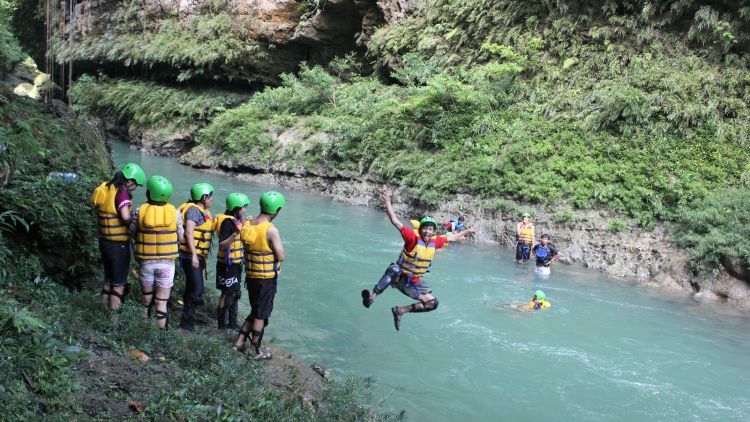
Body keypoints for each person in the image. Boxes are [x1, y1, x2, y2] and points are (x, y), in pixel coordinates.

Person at [361, 187, 475, 331]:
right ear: (420, 229)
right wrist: (387, 200)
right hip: (399, 277)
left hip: (414, 283)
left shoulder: (435, 242)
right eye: (425, 228)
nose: (427, 231)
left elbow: (451, 238)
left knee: (433, 303)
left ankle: (400, 311)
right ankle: (372, 297)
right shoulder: (412, 238)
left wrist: (468, 231)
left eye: (430, 229)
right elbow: (395, 221)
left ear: (433, 231)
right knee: (394, 269)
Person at [233, 191, 286, 360]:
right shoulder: (271, 230)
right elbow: (281, 256)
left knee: (255, 310)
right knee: (261, 314)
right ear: (276, 210)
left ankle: (239, 343)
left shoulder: (248, 224)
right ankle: (255, 350)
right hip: (266, 279)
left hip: (251, 277)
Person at [131, 175, 184, 329]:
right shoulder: (175, 213)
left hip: (146, 262)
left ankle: (143, 328)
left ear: (149, 193)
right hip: (167, 264)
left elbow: (133, 233)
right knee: (161, 302)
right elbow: (181, 238)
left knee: (146, 298)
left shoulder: (140, 211)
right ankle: (160, 334)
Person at [91, 162, 146, 311]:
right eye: (136, 185)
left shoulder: (106, 187)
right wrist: (137, 220)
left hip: (104, 242)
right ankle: (113, 321)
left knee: (109, 280)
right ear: (129, 181)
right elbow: (125, 217)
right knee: (119, 283)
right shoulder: (122, 192)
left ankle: (103, 313)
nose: (135, 188)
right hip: (118, 245)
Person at [177, 183, 215, 331]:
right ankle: (187, 320)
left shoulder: (201, 211)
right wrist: (194, 255)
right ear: (204, 197)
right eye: (210, 197)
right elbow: (189, 233)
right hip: (189, 256)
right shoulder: (193, 211)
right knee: (197, 289)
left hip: (195, 256)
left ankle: (187, 322)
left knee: (191, 288)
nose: (212, 200)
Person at [215, 193, 250, 330]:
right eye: (243, 208)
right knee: (226, 293)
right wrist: (235, 233)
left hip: (234, 264)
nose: (245, 210)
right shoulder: (228, 223)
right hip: (227, 265)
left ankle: (232, 323)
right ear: (236, 208)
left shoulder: (236, 221)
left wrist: (246, 222)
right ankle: (221, 325)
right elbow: (223, 244)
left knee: (235, 293)